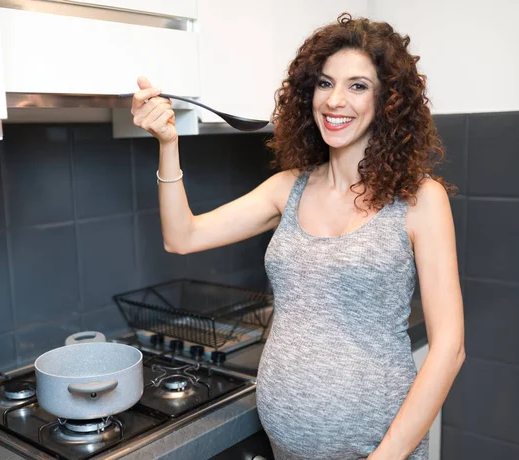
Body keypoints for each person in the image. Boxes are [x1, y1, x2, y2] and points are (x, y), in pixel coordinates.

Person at [130, 12, 465, 460]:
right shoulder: (287, 188)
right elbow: (183, 236)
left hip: (380, 448)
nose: (335, 100)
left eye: (357, 85)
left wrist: (386, 457)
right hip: (286, 446)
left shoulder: (421, 199)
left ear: (388, 100)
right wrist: (168, 143)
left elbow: (450, 347)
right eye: (325, 84)